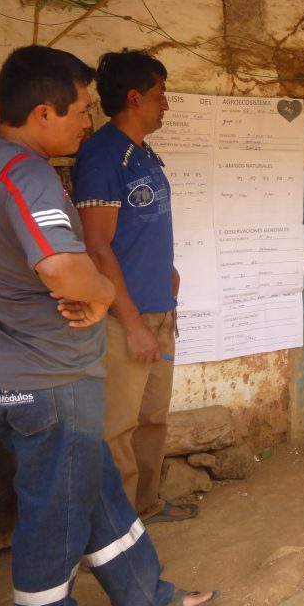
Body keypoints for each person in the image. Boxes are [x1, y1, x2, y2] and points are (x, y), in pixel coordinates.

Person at [0, 46, 215, 606]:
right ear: (42, 115)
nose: (88, 119)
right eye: (79, 109)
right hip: (50, 377)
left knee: (99, 492)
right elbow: (63, 265)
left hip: (13, 368)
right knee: (55, 514)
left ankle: (148, 595)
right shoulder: (24, 173)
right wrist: (102, 297)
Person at [71, 50, 195, 525]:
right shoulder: (103, 157)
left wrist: (169, 274)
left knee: (152, 421)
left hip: (159, 309)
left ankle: (145, 507)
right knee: (117, 429)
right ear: (134, 97)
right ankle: (114, 534)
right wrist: (132, 323)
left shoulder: (141, 152)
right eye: (160, 96)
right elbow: (98, 247)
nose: (165, 105)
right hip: (127, 320)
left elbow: (141, 228)